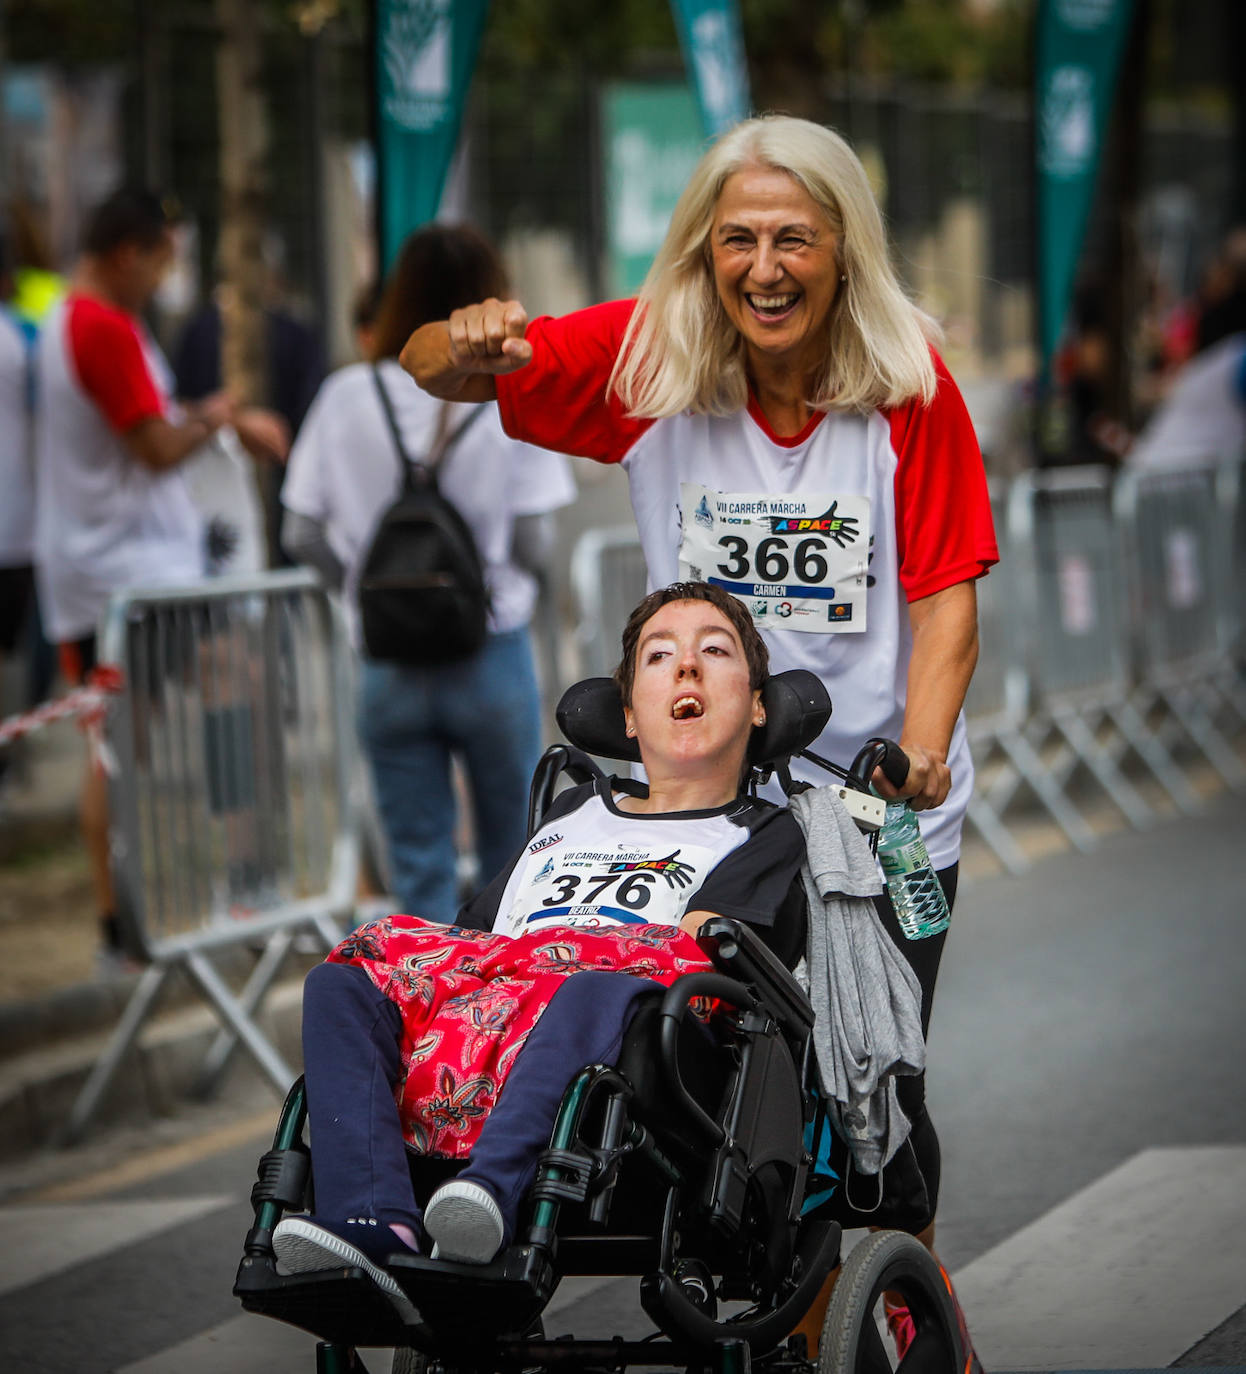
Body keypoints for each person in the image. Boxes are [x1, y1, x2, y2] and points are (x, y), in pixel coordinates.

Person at [402, 115, 995, 1362]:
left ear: (844, 252)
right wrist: (459, 344)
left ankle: (899, 1307)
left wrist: (925, 750)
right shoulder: (653, 356)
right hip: (712, 806)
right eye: (738, 239)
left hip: (879, 822)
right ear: (704, 251)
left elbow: (945, 600)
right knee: (699, 1079)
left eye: (794, 238)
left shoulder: (906, 387)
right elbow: (429, 370)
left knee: (871, 1106)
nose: (764, 266)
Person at [271, 581, 806, 1317]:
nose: (686, 668)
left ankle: (489, 1192)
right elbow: (477, 943)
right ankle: (372, 1220)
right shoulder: (571, 813)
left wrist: (574, 962)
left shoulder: (759, 831)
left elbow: (697, 956)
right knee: (345, 982)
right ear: (626, 713)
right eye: (660, 656)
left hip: (646, 1052)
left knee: (606, 980)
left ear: (756, 705)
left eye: (713, 652)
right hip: (496, 1027)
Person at [281, 223, 576, 924]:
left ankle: (424, 1019)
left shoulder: (345, 396)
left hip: (384, 660)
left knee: (417, 870)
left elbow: (300, 532)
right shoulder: (511, 390)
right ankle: (504, 1021)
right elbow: (536, 537)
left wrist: (361, 582)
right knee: (515, 863)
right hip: (492, 649)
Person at [31, 187, 288, 973]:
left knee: (128, 742)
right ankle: (231, 894)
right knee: (204, 705)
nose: (162, 280)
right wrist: (214, 421)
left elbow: (142, 424)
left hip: (112, 573)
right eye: (160, 261)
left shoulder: (73, 323)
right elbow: (151, 447)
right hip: (130, 577)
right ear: (127, 253)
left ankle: (150, 921)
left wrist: (203, 413)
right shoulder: (99, 326)